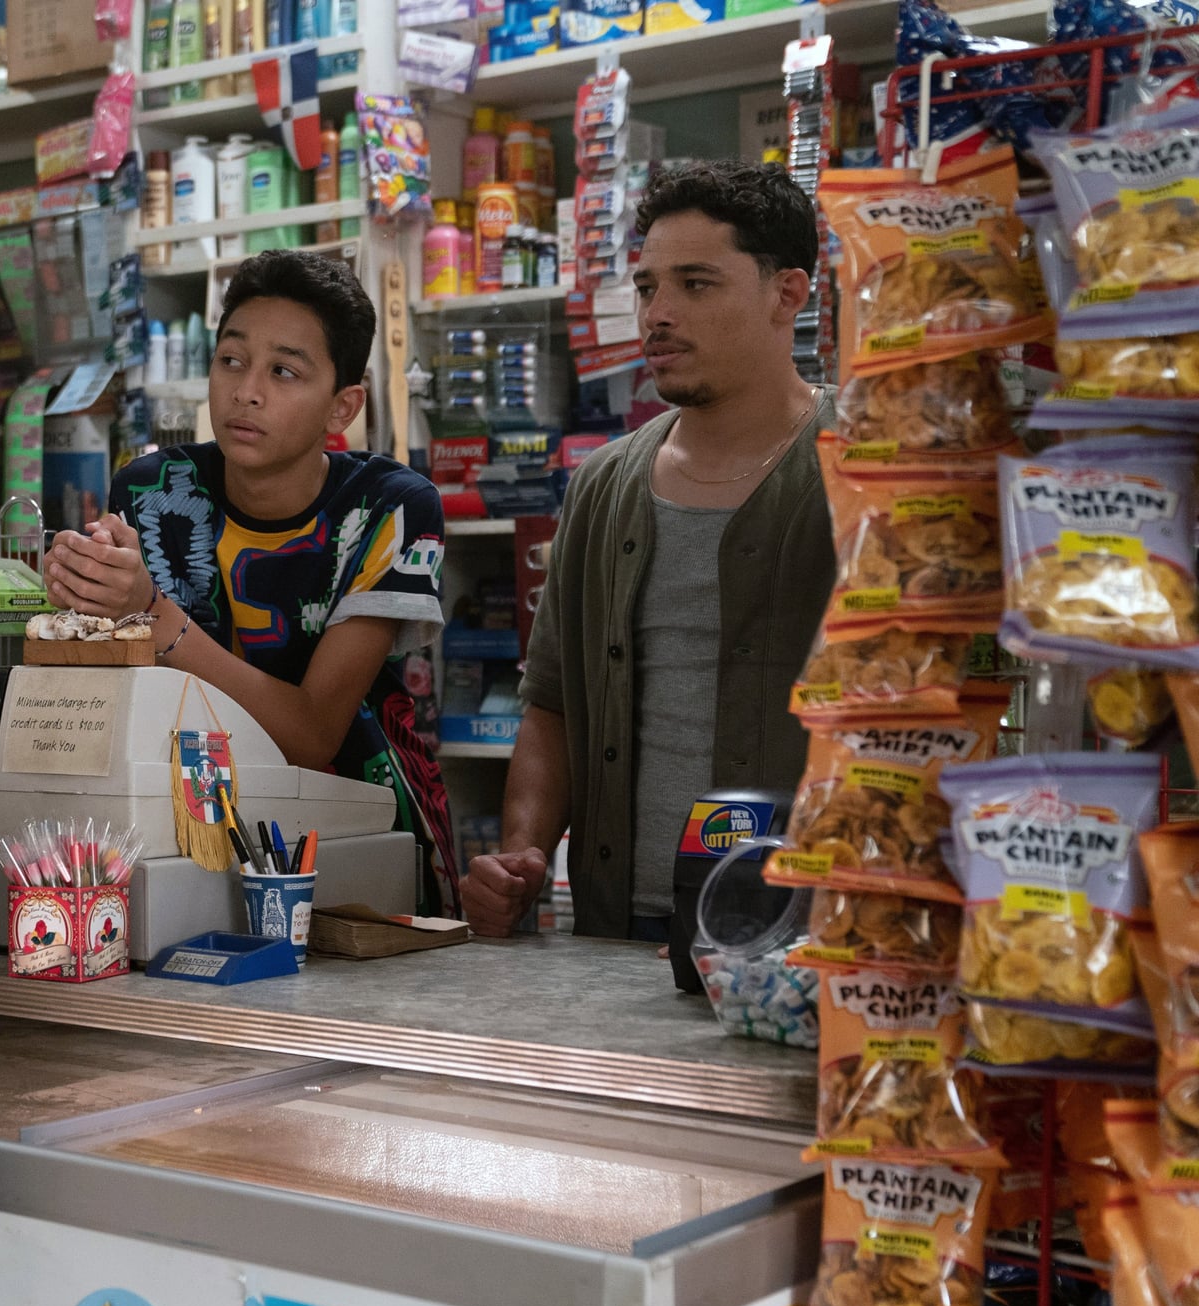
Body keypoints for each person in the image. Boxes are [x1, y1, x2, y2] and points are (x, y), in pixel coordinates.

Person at [460, 161, 835, 944]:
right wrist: (521, 855)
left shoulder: (856, 471)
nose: (658, 314)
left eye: (696, 284)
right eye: (646, 287)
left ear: (788, 293)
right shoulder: (602, 487)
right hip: (615, 925)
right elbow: (552, 707)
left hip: (803, 934)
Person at [44, 250, 457, 912]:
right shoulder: (153, 489)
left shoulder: (388, 508)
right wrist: (78, 593)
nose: (247, 390)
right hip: (183, 825)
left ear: (342, 405)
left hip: (355, 838)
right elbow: (121, 686)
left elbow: (316, 732)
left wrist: (154, 616)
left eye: (284, 371)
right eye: (232, 360)